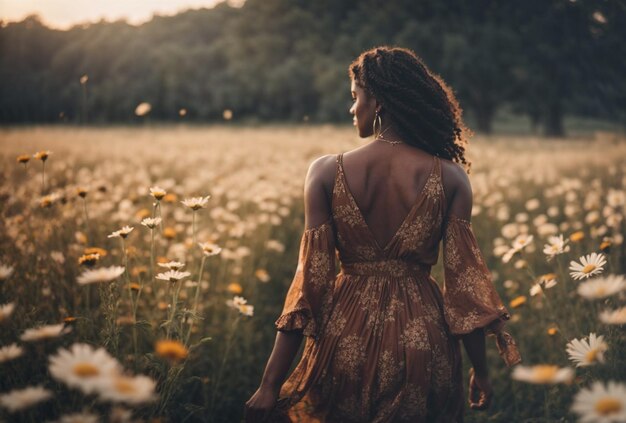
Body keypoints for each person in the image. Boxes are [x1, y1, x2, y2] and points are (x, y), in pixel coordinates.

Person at [245, 46, 521, 422]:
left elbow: (310, 286)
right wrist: (482, 371)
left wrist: (270, 383)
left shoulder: (326, 172)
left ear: (377, 101)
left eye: (355, 97)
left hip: (345, 337)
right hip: (424, 340)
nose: (352, 108)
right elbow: (464, 289)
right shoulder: (451, 177)